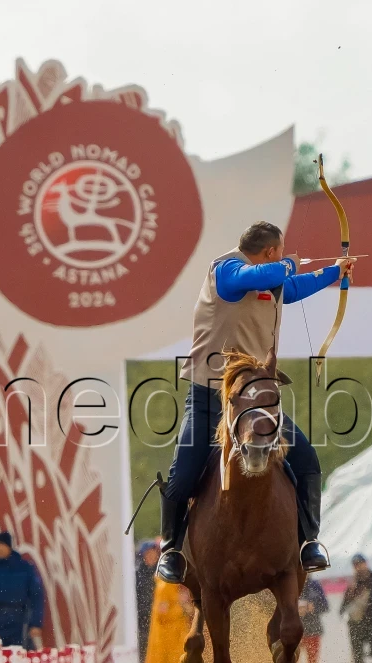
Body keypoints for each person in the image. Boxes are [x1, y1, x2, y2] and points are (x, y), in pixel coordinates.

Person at [153, 221, 357, 583]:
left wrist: (333, 272)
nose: (283, 258)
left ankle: (308, 542)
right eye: (280, 252)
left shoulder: (268, 278)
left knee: (307, 460)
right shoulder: (227, 270)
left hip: (255, 401)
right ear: (270, 252)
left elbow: (291, 288)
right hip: (209, 396)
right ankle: (171, 550)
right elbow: (259, 276)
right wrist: (288, 264)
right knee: (182, 474)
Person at [0, 531, 44, 649]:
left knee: (16, 658)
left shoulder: (24, 568)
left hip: (17, 624)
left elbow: (37, 596)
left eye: (2, 545)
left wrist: (35, 623)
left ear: (9, 547)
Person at [143, 578, 194, 663]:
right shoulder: (165, 586)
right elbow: (162, 613)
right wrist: (182, 609)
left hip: (174, 639)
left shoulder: (174, 586)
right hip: (165, 642)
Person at [135, 540, 161, 663]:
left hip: (159, 626)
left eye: (154, 553)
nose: (151, 556)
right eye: (148, 553)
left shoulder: (162, 573)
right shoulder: (138, 574)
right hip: (143, 626)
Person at [298, 576, 330, 663]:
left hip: (313, 631)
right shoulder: (291, 583)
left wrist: (314, 607)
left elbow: (326, 606)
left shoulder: (315, 585)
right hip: (295, 632)